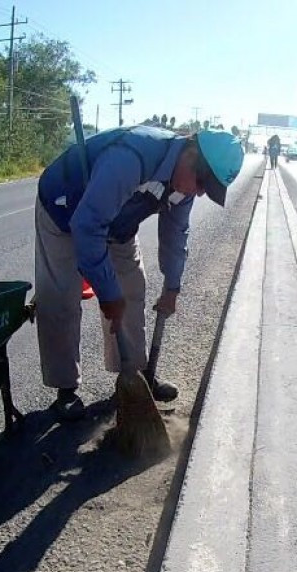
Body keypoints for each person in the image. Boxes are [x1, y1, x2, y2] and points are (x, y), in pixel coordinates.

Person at [34, 125, 245, 420]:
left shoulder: (182, 187)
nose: (198, 192)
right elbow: (87, 226)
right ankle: (65, 390)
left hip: (118, 221)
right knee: (61, 297)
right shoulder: (131, 157)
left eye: (206, 189)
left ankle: (134, 378)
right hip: (65, 211)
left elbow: (176, 234)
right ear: (191, 151)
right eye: (201, 181)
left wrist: (172, 287)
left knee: (132, 289)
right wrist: (107, 293)